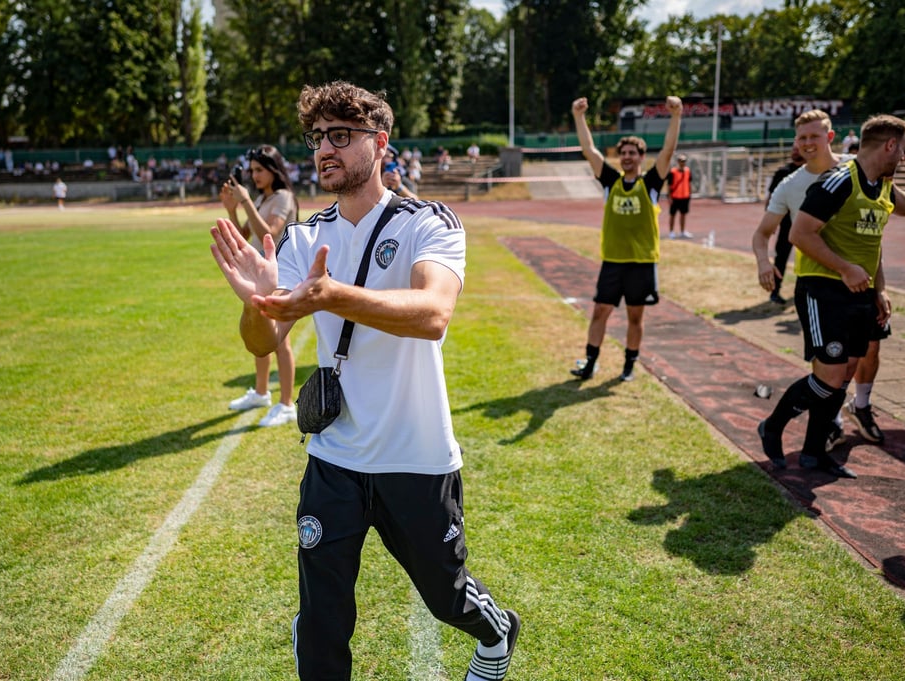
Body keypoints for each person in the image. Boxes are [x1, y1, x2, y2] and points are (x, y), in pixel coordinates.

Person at [209, 80, 519, 681]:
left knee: (445, 597)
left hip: (416, 456)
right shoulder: (303, 236)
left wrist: (333, 295)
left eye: (341, 136)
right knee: (322, 619)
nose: (324, 149)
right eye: (317, 137)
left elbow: (434, 315)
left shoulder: (429, 221)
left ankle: (498, 631)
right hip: (335, 457)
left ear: (379, 143)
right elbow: (260, 343)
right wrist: (257, 304)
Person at [758, 114, 905, 479]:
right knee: (828, 376)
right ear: (890, 145)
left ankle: (813, 453)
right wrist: (844, 268)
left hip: (861, 292)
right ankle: (773, 424)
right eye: (903, 149)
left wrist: (879, 289)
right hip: (824, 289)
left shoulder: (880, 183)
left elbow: (888, 227)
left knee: (844, 374)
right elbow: (799, 234)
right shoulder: (839, 181)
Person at [569, 94, 683, 382]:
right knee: (599, 314)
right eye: (624, 153)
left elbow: (668, 151)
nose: (628, 157)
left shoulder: (651, 184)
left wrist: (676, 116)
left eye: (633, 153)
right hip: (613, 261)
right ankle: (590, 363)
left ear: (642, 157)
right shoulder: (611, 181)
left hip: (642, 262)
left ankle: (629, 365)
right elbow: (589, 150)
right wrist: (578, 116)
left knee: (635, 318)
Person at [219, 144, 300, 428]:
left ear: (273, 170)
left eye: (259, 170)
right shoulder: (264, 198)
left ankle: (287, 404)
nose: (254, 176)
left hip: (281, 276)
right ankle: (263, 392)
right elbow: (245, 235)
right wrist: (233, 211)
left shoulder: (282, 197)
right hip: (260, 276)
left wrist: (245, 202)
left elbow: (270, 234)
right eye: (251, 170)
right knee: (261, 337)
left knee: (281, 341)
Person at [758, 144, 804, 304]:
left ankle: (805, 293)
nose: (795, 152)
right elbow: (771, 197)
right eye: (793, 149)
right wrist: (770, 222)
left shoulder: (811, 172)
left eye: (797, 149)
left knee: (808, 260)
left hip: (808, 227)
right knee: (781, 258)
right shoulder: (783, 172)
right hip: (787, 225)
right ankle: (775, 291)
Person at [666, 154, 693, 239]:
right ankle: (671, 232)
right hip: (675, 197)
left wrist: (689, 194)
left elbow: (689, 183)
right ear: (678, 162)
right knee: (672, 215)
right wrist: (669, 197)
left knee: (683, 215)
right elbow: (669, 185)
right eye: (681, 161)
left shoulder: (688, 171)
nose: (682, 163)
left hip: (685, 196)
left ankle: (682, 231)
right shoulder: (673, 172)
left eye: (684, 161)